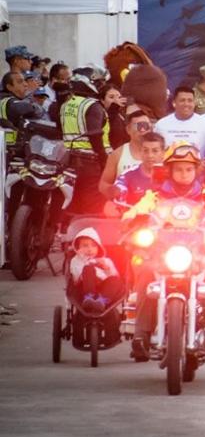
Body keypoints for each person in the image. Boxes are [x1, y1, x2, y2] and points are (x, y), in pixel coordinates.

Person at [123, 144, 205, 361]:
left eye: (189, 169)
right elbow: (133, 213)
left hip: (200, 255)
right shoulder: (155, 196)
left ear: (196, 170)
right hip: (162, 254)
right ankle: (142, 334)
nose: (184, 174)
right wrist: (136, 218)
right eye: (178, 169)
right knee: (145, 274)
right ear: (169, 170)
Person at [59, 71, 109, 214]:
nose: (100, 85)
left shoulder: (66, 105)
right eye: (98, 82)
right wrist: (103, 158)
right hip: (89, 161)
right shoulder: (92, 105)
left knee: (72, 200)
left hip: (67, 159)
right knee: (92, 202)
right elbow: (95, 135)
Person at [66, 227, 127, 308]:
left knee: (115, 281)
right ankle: (89, 299)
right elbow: (76, 277)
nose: (90, 249)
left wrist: (107, 269)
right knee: (88, 269)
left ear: (98, 247)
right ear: (78, 248)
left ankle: (101, 302)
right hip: (84, 289)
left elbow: (115, 276)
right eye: (85, 246)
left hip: (104, 289)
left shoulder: (106, 261)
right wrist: (84, 260)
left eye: (93, 246)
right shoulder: (76, 260)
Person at [108, 131, 166, 207]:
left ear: (163, 153)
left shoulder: (173, 174)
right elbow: (117, 198)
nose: (150, 155)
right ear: (140, 152)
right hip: (137, 217)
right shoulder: (126, 176)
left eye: (155, 151)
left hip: (169, 218)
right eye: (145, 150)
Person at [155, 86, 205, 156]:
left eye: (190, 101)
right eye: (182, 100)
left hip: (197, 166)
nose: (186, 104)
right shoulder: (161, 125)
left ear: (194, 103)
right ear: (174, 103)